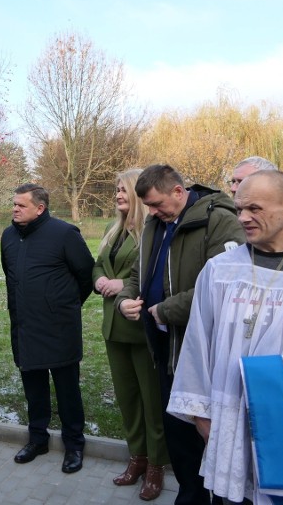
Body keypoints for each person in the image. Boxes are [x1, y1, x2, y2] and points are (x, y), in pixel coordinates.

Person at [169, 170, 283, 504]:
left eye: (254, 208)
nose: (243, 218)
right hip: (228, 420)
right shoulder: (221, 270)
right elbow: (197, 343)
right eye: (239, 209)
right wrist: (200, 414)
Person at [115, 165, 244, 505]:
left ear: (177, 191)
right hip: (164, 348)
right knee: (178, 431)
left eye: (157, 204)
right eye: (149, 207)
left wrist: (165, 310)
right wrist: (127, 299)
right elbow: (136, 273)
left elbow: (223, 284)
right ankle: (190, 495)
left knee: (208, 433)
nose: (153, 212)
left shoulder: (218, 219)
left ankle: (220, 497)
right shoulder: (153, 224)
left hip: (205, 352)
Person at [1, 184, 95, 475]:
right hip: (25, 328)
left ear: (40, 208)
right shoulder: (8, 236)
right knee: (34, 390)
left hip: (59, 329)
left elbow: (86, 275)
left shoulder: (65, 234)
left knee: (68, 392)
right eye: (14, 204)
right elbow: (11, 276)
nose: (15, 209)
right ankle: (38, 439)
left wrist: (63, 306)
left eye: (21, 205)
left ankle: (74, 445)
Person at [94, 170, 169, 500]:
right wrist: (100, 280)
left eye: (122, 190)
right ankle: (136, 459)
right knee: (128, 400)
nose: (118, 195)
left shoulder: (151, 231)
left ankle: (156, 466)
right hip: (113, 327)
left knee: (151, 401)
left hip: (140, 328)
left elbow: (153, 276)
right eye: (116, 190)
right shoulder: (114, 230)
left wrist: (121, 285)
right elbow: (99, 264)